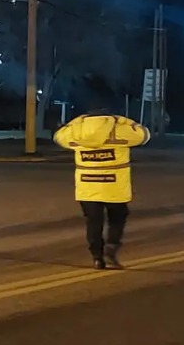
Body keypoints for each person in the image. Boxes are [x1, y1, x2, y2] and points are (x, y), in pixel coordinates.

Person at [53, 110, 151, 270]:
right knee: (118, 217)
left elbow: (58, 136)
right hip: (115, 187)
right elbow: (144, 134)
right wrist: (121, 119)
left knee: (93, 222)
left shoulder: (76, 131)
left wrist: (79, 120)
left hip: (87, 188)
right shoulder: (119, 130)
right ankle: (111, 247)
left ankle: (97, 257)